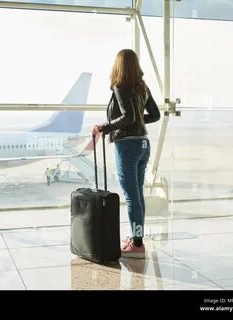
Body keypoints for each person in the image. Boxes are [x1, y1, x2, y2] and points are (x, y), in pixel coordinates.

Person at [92, 49, 160, 259]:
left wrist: (104, 127)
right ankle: (135, 238)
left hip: (128, 145)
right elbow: (155, 115)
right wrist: (139, 119)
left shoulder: (121, 86)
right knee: (137, 195)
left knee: (132, 197)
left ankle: (137, 245)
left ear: (119, 65)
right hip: (143, 144)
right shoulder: (143, 87)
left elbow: (128, 117)